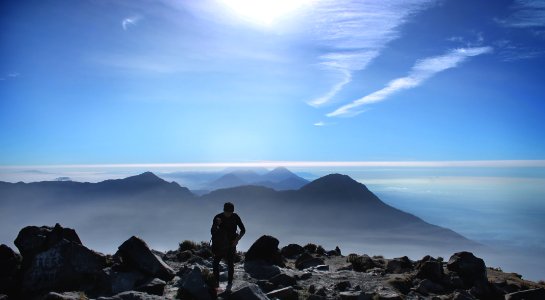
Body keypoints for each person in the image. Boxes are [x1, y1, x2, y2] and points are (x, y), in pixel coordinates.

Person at [211, 202, 245, 288]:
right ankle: (216, 282)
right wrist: (216, 224)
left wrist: (237, 240)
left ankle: (229, 284)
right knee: (215, 263)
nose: (228, 214)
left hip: (231, 243)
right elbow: (212, 232)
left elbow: (243, 230)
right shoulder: (218, 217)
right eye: (227, 212)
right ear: (224, 210)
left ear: (233, 211)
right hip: (220, 244)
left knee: (230, 264)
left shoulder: (235, 216)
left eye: (230, 212)